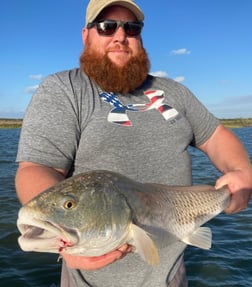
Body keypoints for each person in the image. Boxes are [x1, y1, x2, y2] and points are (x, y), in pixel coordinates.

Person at [15, 0, 252, 286]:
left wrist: (241, 170)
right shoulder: (64, 90)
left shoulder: (175, 92)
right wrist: (64, 236)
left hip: (172, 276)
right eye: (106, 26)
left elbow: (215, 136)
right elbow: (36, 166)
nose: (120, 36)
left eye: (131, 27)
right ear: (86, 34)